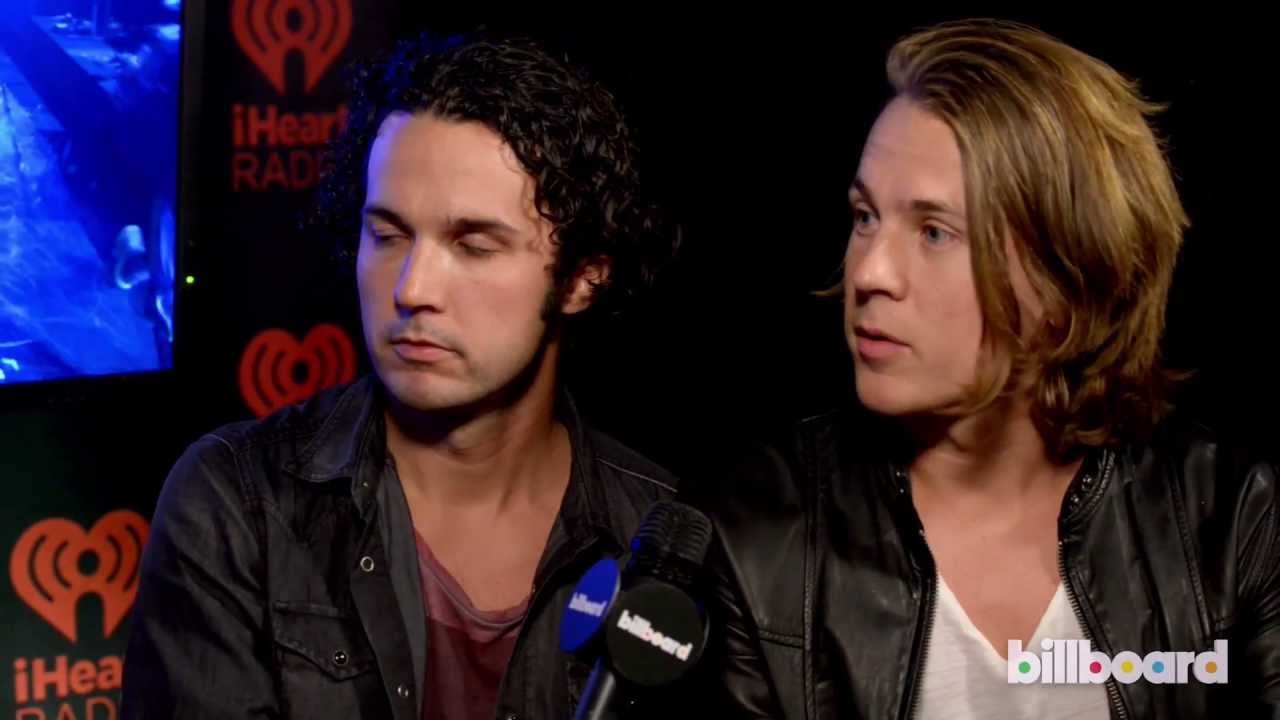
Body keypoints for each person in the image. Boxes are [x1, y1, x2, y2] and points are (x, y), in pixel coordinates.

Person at [702, 19, 1280, 719]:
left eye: (935, 231)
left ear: (1066, 278)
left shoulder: (1226, 520)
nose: (871, 272)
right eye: (864, 217)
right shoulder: (758, 532)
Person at [123, 33, 679, 720]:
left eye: (473, 246)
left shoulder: (661, 539)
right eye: (387, 236)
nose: (413, 288)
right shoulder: (237, 505)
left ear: (583, 277)